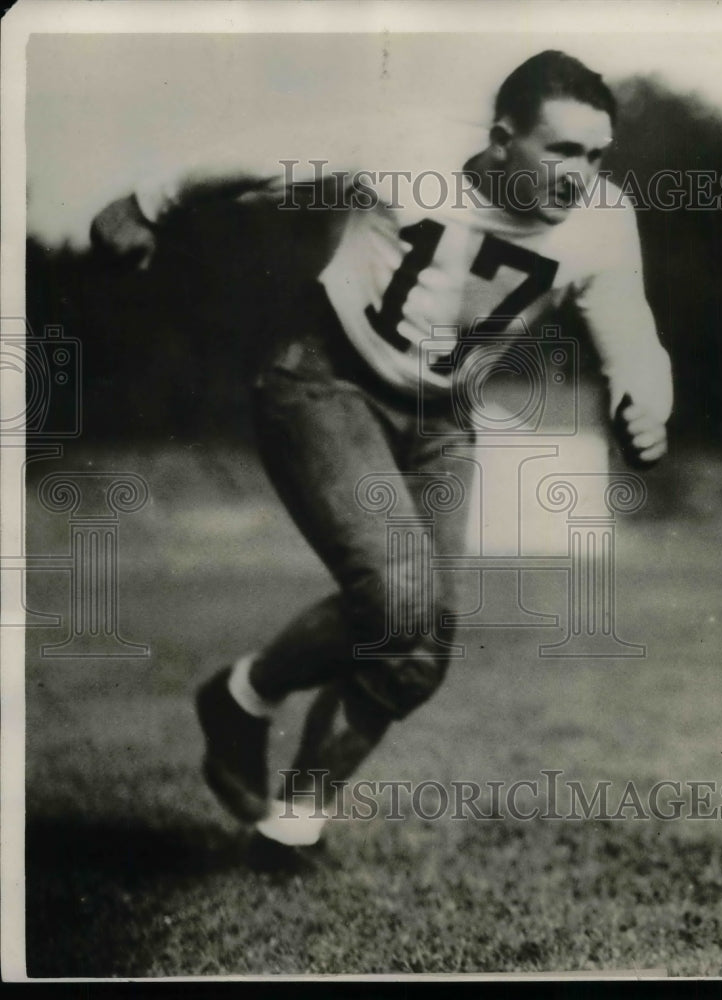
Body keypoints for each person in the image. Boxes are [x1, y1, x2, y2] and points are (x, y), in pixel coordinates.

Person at [91, 50, 672, 869]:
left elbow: (633, 337)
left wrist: (646, 403)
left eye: (597, 155)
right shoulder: (408, 149)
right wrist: (146, 201)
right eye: (562, 151)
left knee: (419, 651)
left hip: (441, 418)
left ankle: (289, 820)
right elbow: (260, 155)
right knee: (402, 600)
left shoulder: (604, 219)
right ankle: (244, 699)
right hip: (327, 379)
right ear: (502, 140)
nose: (583, 175)